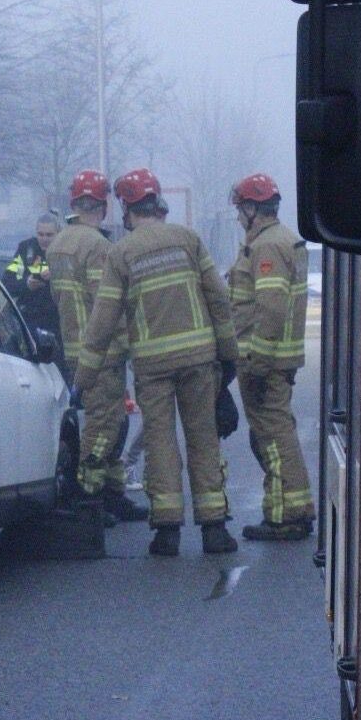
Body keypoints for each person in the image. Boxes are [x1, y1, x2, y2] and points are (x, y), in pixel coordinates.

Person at [75, 168, 241, 557]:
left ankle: (167, 532)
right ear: (157, 202)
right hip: (200, 360)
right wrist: (229, 357)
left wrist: (83, 377)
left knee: (161, 443)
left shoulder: (121, 253)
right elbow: (219, 299)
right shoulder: (188, 240)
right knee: (203, 438)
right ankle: (214, 529)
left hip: (152, 368)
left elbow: (102, 320)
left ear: (127, 208)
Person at [47, 171, 146, 523]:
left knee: (111, 419)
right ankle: (91, 498)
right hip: (101, 351)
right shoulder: (98, 247)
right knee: (105, 425)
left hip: (74, 349)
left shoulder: (58, 243)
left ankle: (113, 493)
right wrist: (129, 345)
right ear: (103, 206)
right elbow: (107, 303)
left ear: (74, 203)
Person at [227, 172, 315, 541]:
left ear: (253, 209)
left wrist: (258, 363)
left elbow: (270, 308)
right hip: (275, 359)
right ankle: (289, 507)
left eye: (240, 209)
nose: (237, 216)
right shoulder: (277, 240)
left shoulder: (267, 246)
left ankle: (288, 515)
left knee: (273, 437)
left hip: (264, 361)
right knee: (276, 433)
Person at [5, 213, 63, 334]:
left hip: (58, 320)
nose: (44, 239)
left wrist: (56, 275)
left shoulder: (65, 251)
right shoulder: (26, 250)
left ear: (58, 233)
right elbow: (9, 281)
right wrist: (27, 284)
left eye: (49, 235)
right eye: (40, 234)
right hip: (30, 319)